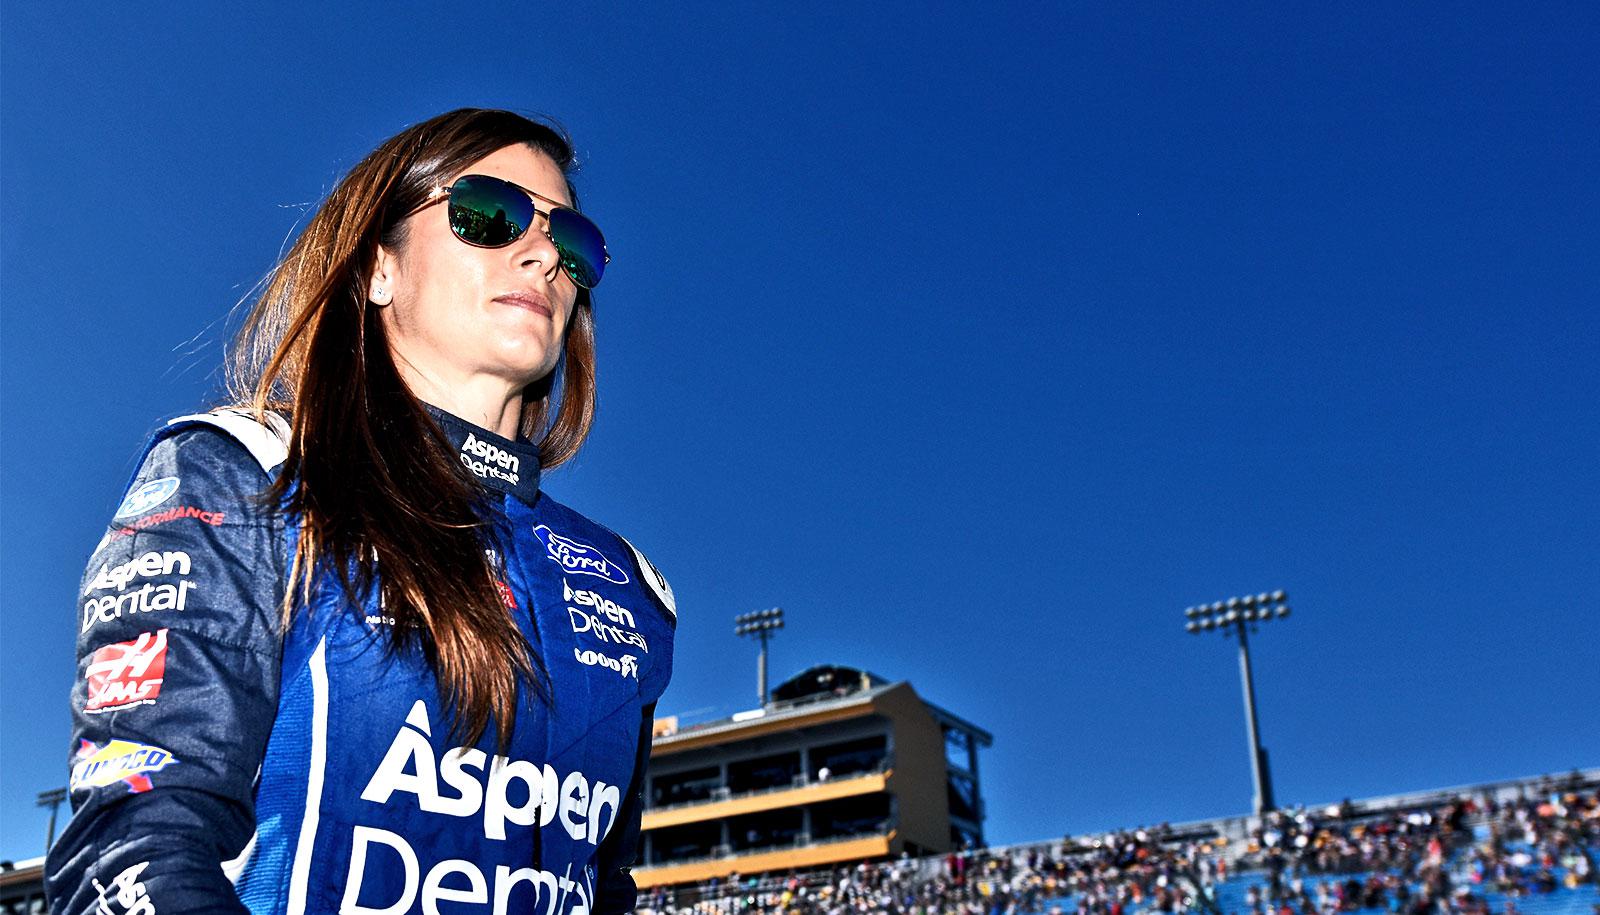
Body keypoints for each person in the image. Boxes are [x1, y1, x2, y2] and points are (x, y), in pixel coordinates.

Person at [45, 108, 677, 915]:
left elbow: (604, 889)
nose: (544, 253)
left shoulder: (629, 589)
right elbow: (132, 846)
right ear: (380, 267)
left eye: (573, 241)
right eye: (491, 212)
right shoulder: (245, 475)